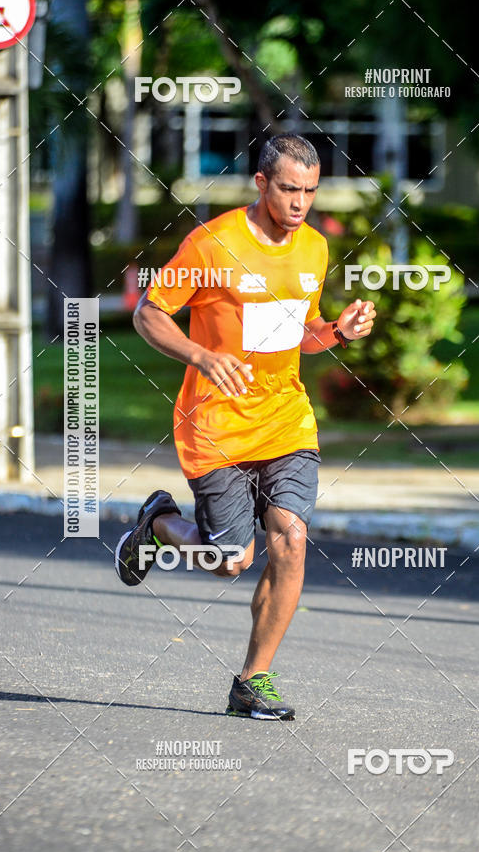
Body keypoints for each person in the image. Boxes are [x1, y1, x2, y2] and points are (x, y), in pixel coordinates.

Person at [114, 133, 376, 721]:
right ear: (261, 183)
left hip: (286, 421)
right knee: (230, 559)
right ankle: (157, 524)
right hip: (215, 426)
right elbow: (148, 313)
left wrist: (338, 330)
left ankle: (252, 681)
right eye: (288, 189)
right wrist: (203, 357)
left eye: (310, 190)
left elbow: (299, 333)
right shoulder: (213, 244)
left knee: (291, 538)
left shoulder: (313, 249)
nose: (300, 202)